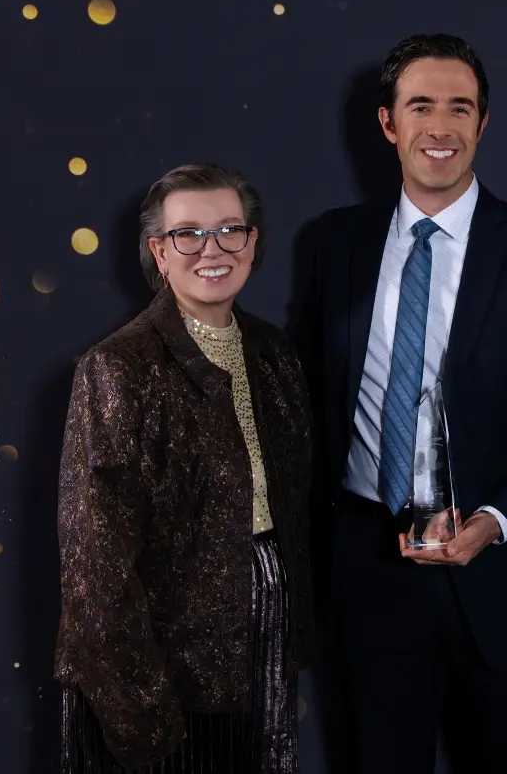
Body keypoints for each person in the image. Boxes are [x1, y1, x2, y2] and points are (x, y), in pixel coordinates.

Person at [292, 33, 507, 773]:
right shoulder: (335, 244)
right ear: (388, 123)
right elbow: (309, 393)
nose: (441, 128)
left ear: (483, 123)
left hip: (504, 580)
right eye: (421, 106)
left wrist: (499, 520)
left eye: (460, 108)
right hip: (370, 572)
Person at [54, 164, 314, 773]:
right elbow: (96, 573)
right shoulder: (118, 367)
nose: (212, 249)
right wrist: (143, 714)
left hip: (261, 625)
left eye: (229, 230)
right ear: (159, 252)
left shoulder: (276, 356)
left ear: (252, 243)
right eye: (188, 234)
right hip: (158, 660)